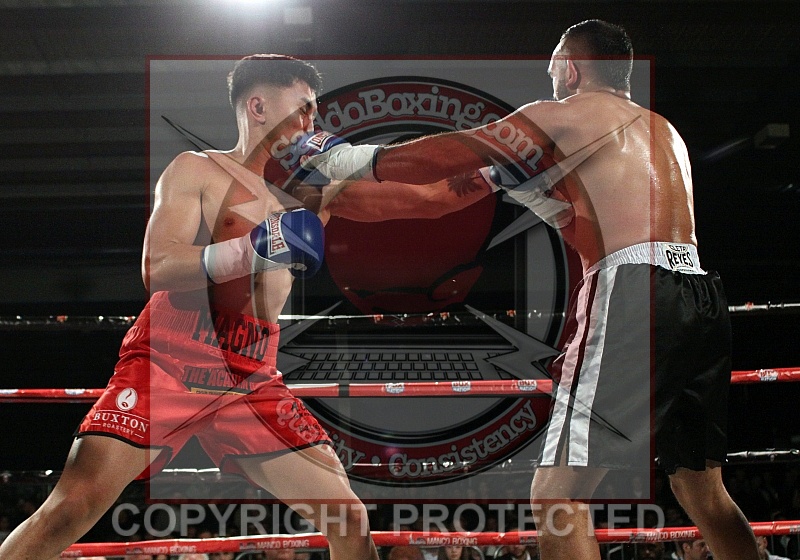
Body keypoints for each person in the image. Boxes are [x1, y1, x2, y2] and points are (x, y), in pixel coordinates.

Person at [303, 19, 760, 560]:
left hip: (633, 290)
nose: (551, 80)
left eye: (553, 69)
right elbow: (431, 199)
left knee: (556, 498)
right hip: (699, 294)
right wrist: (326, 198)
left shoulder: (561, 117)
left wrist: (337, 156)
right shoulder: (663, 132)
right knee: (704, 493)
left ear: (571, 68)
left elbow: (446, 155)